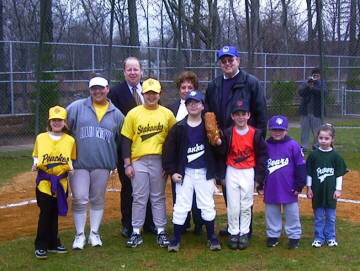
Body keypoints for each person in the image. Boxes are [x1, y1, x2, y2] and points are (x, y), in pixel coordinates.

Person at [205, 45, 267, 237]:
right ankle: (234, 226)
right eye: (223, 61)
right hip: (223, 144)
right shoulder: (214, 85)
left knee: (245, 189)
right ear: (220, 64)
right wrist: (213, 138)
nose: (227, 63)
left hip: (245, 142)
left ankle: (245, 228)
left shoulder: (251, 82)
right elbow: (209, 113)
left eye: (230, 59)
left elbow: (261, 113)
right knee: (228, 185)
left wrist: (257, 140)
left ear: (238, 60)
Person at [67, 76, 124, 249]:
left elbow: (122, 140)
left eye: (101, 88)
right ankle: (79, 235)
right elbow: (61, 127)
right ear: (89, 90)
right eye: (94, 89)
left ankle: (94, 233)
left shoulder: (116, 114)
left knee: (97, 198)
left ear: (107, 89)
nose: (97, 92)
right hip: (79, 163)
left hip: (102, 164)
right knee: (80, 198)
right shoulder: (77, 107)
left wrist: (116, 161)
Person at [163, 90, 222, 252]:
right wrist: (172, 171)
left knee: (207, 205)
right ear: (186, 105)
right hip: (185, 173)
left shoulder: (209, 126)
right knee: (181, 205)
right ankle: (176, 238)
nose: (193, 105)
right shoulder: (179, 127)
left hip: (204, 172)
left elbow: (220, 152)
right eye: (190, 103)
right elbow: (169, 152)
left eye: (197, 102)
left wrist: (218, 142)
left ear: (203, 106)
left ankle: (211, 237)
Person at [121, 78, 176, 248]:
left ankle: (161, 231)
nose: (151, 96)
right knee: (139, 197)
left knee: (158, 197)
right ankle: (136, 232)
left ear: (160, 94)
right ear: (143, 94)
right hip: (139, 161)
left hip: (159, 160)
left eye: (154, 93)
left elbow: (173, 141)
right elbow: (125, 139)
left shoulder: (167, 114)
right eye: (148, 93)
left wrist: (168, 165)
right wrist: (127, 164)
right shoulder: (133, 113)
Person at [108, 56, 156, 238]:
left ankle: (150, 222)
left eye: (136, 69)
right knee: (129, 188)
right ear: (124, 72)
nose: (133, 72)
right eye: (129, 69)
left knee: (150, 187)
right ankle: (128, 223)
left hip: (149, 148)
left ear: (141, 71)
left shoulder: (150, 89)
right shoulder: (115, 92)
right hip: (127, 149)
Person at [220, 99, 268, 250]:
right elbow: (221, 155)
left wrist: (258, 178)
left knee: (246, 204)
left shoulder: (255, 134)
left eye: (243, 114)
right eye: (237, 114)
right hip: (232, 170)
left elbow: (262, 156)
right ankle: (233, 232)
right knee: (233, 205)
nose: (240, 117)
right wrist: (220, 175)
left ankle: (244, 232)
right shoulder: (228, 133)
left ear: (248, 115)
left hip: (248, 170)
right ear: (232, 117)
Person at [32, 106, 76, 259]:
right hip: (44, 182)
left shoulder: (70, 140)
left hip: (61, 182)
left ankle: (53, 243)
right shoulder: (41, 137)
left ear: (65, 122)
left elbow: (71, 159)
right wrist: (35, 163)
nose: (57, 123)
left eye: (60, 120)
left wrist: (71, 168)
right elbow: (36, 155)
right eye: (54, 120)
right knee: (45, 213)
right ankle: (40, 245)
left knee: (54, 213)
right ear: (49, 122)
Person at [167, 71, 203, 235]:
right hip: (179, 157)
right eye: (183, 87)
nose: (186, 90)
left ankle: (199, 222)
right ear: (179, 89)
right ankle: (183, 222)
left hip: (197, 156)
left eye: (190, 87)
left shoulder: (202, 107)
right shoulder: (171, 109)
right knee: (179, 191)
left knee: (198, 193)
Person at [264, 115, 306, 249]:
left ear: (286, 130)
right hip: (271, 186)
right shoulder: (266, 145)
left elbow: (300, 165)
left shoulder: (293, 145)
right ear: (270, 130)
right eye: (274, 129)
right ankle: (273, 235)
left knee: (292, 213)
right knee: (271, 212)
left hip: (289, 186)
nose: (277, 132)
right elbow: (260, 165)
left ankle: (294, 236)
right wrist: (259, 183)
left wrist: (299, 184)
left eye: (280, 130)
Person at [306, 124, 347, 248]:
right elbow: (309, 174)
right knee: (319, 217)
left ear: (332, 139)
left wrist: (338, 189)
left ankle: (330, 237)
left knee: (331, 217)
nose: (323, 141)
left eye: (326, 138)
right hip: (317, 191)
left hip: (330, 192)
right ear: (317, 138)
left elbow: (339, 174)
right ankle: (319, 238)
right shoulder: (313, 155)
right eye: (321, 138)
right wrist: (309, 188)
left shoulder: (336, 156)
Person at [298, 68, 327, 152]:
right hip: (305, 111)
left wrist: (313, 88)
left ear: (320, 76)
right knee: (304, 130)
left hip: (317, 111)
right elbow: (301, 93)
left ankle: (317, 146)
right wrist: (308, 86)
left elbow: (323, 93)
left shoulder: (322, 84)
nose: (316, 77)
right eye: (314, 75)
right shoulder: (306, 83)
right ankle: (304, 146)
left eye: (317, 75)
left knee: (317, 130)